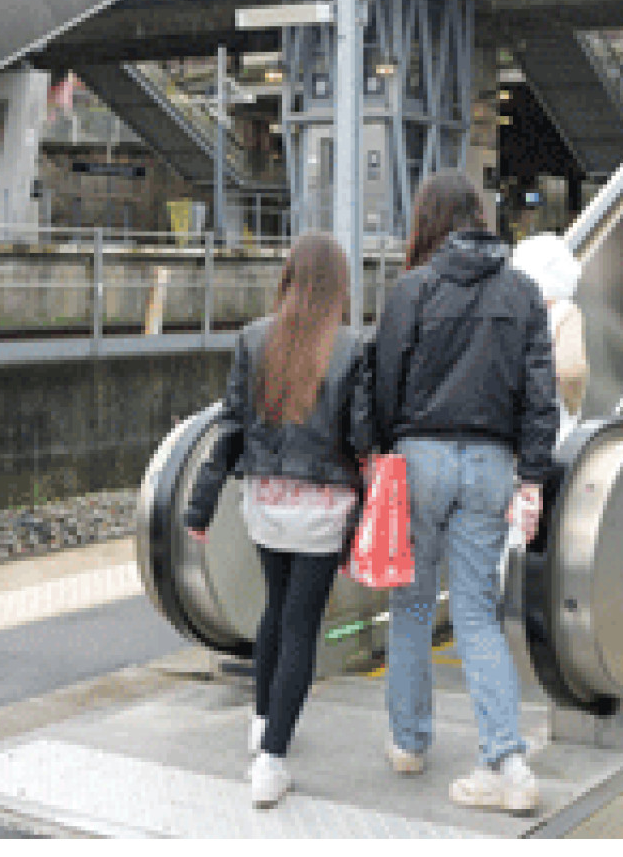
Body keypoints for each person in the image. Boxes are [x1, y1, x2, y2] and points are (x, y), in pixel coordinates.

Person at [363, 169, 558, 815]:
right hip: (491, 463)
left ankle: (409, 742)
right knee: (475, 614)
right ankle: (506, 759)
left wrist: (382, 451)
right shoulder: (524, 293)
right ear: (480, 216)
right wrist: (531, 475)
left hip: (417, 459)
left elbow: (382, 381)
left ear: (428, 220)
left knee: (411, 606)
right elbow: (540, 400)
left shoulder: (413, 290)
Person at [182, 232, 366, 809]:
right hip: (321, 511)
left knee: (274, 609)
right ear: (339, 285)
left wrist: (201, 504)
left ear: (288, 278)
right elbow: (362, 438)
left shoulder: (255, 338)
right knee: (301, 626)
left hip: (264, 505)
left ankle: (262, 722)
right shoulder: (352, 348)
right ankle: (272, 760)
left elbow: (230, 428)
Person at [511, 232, 587, 441]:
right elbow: (571, 370)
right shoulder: (565, 312)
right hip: (553, 422)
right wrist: (573, 405)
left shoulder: (511, 312)